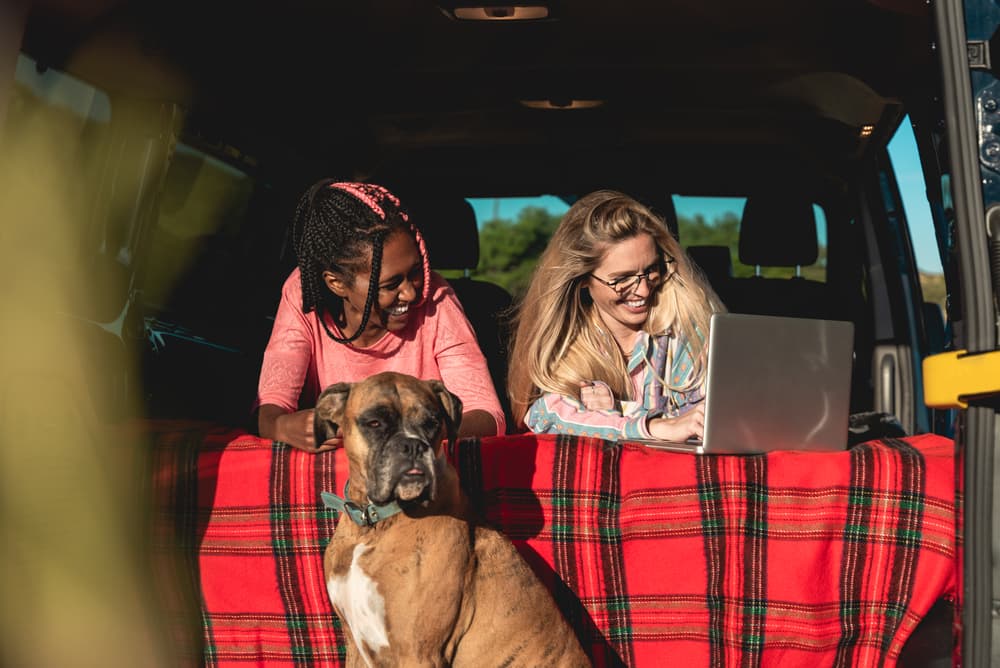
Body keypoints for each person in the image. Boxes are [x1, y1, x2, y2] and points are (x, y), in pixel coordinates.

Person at [255, 180, 505, 452]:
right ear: (336, 283)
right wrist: (283, 426)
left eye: (416, 272)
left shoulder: (437, 296)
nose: (410, 293)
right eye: (390, 284)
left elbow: (488, 416)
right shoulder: (302, 293)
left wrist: (415, 431)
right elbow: (271, 405)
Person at [507, 190, 725, 442]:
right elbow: (546, 416)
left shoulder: (687, 329)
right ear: (583, 280)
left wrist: (620, 411)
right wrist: (656, 427)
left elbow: (710, 421)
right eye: (621, 279)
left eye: (651, 270)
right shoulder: (564, 343)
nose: (643, 290)